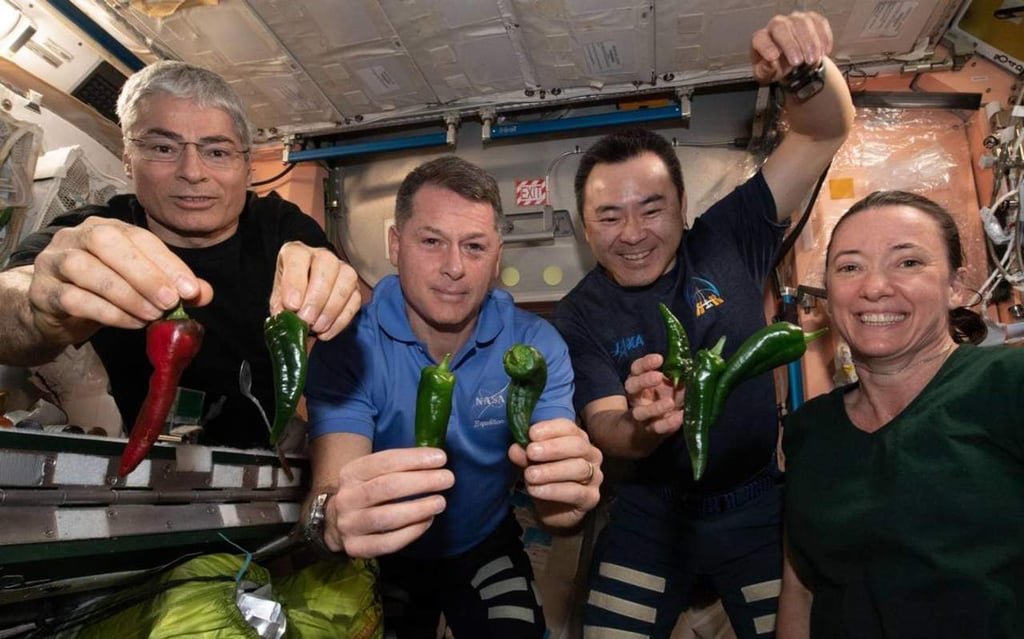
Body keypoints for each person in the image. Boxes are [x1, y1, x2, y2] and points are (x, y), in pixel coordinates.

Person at [550, 11, 855, 639]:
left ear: (683, 207)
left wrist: (805, 74)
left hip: (756, 505)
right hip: (646, 518)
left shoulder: (727, 237)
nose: (631, 234)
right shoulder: (578, 312)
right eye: (608, 217)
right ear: (585, 228)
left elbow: (825, 130)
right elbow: (605, 426)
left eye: (651, 208)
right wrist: (642, 424)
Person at [304, 155, 603, 638]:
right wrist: (332, 520)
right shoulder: (349, 348)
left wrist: (573, 492)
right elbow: (330, 489)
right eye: (431, 241)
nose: (454, 268)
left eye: (475, 246)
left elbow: (557, 512)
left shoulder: (536, 347)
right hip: (384, 554)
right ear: (395, 245)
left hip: (485, 544)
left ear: (497, 257)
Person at [0, 61, 360, 449]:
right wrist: (39, 306)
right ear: (126, 159)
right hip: (135, 453)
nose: (192, 171)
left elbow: (319, 266)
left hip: (262, 450)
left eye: (218, 151)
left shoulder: (279, 225)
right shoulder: (93, 230)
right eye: (162, 148)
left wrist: (328, 282)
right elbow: (14, 294)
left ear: (247, 168)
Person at [777, 191, 1019, 638]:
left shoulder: (1007, 383)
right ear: (829, 294)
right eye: (850, 267)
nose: (874, 287)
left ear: (956, 286)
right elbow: (800, 591)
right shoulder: (809, 429)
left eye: (907, 263)